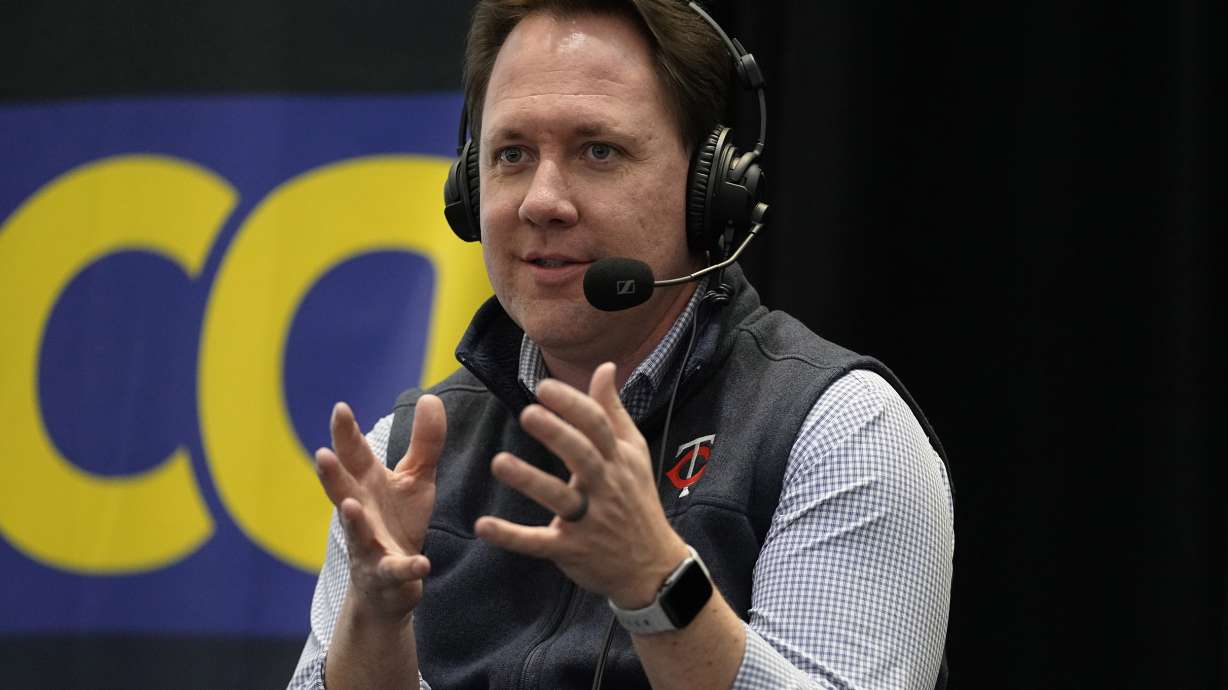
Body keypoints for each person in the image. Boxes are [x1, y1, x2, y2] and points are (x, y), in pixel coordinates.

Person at [289, 1, 953, 688]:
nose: (542, 200)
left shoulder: (838, 433)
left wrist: (657, 587)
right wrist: (377, 618)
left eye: (597, 151)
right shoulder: (405, 455)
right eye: (512, 154)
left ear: (712, 188)